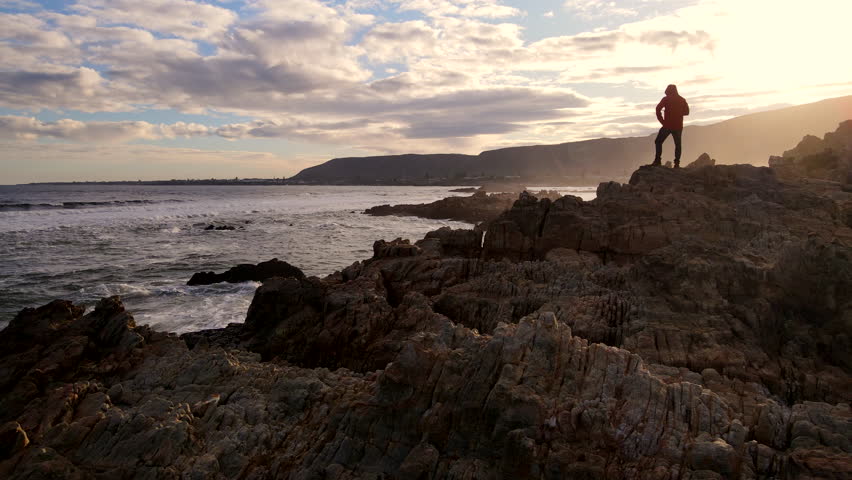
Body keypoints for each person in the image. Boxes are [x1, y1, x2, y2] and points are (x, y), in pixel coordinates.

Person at [652, 84, 689, 168]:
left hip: (667, 125)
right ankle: (677, 164)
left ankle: (657, 160)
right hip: (678, 126)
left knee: (658, 141)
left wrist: (662, 121)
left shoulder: (666, 99)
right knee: (678, 145)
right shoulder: (682, 100)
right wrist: (678, 113)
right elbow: (687, 112)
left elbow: (658, 109)